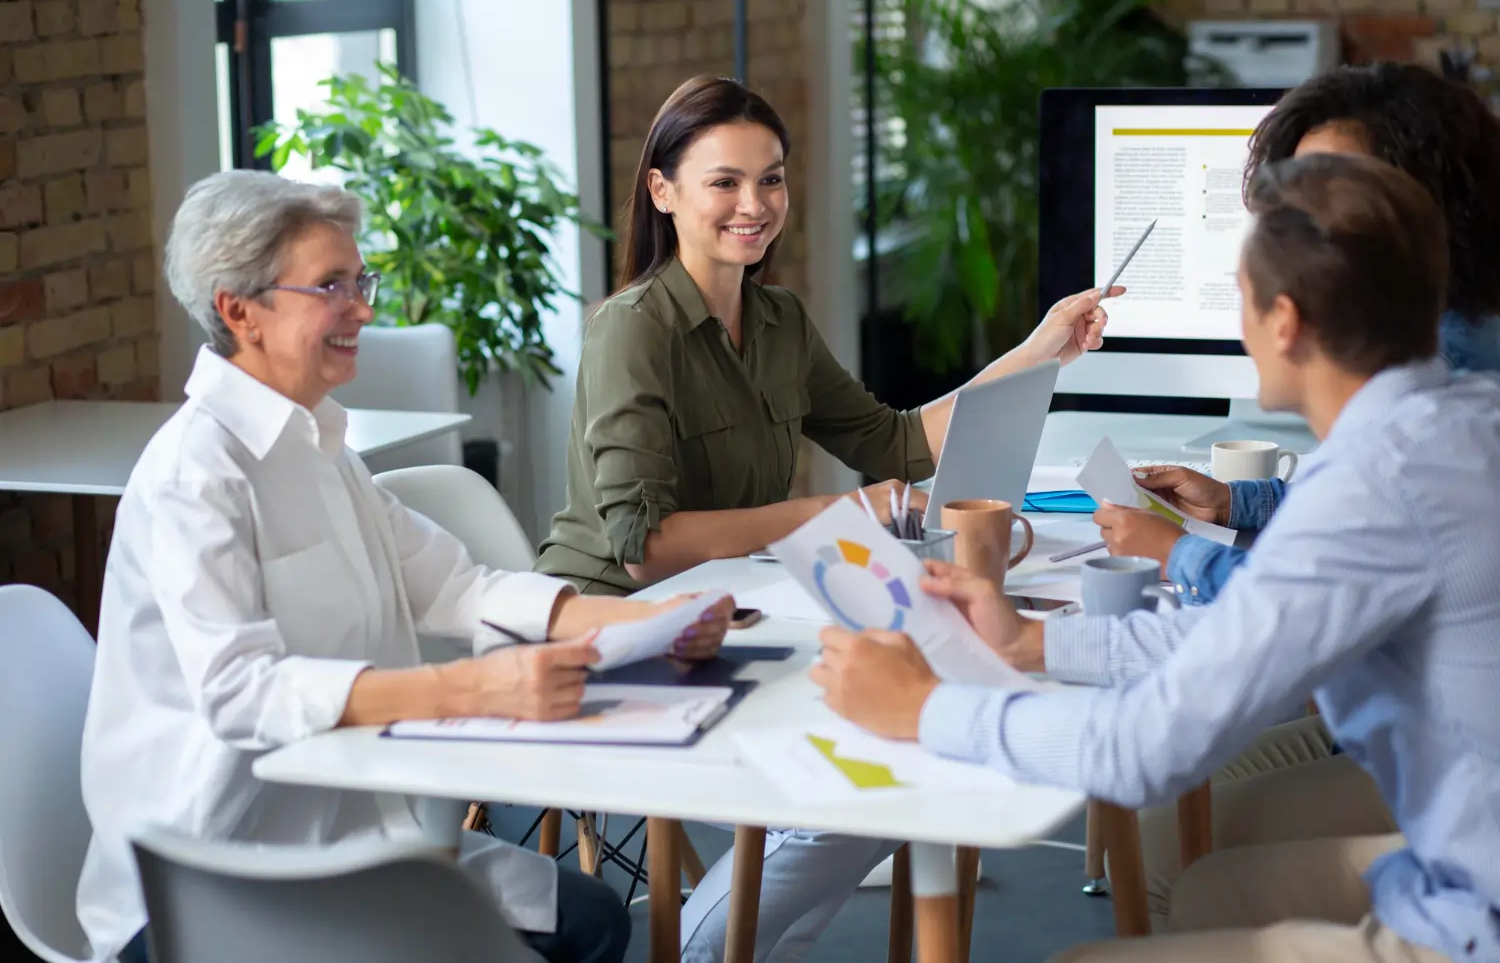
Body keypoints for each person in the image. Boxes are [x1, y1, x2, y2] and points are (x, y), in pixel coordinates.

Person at [814, 152, 1500, 961]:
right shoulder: (1454, 422)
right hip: (1454, 850)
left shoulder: (1373, 486)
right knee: (1202, 885)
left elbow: (1144, 747)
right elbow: (1241, 632)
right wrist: (1032, 640)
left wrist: (922, 708)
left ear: (1283, 322)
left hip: (1470, 910)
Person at [78, 170, 735, 963]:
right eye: (331, 286)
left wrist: (652, 624)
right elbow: (241, 691)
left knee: (592, 919)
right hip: (214, 874)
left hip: (343, 830)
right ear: (239, 310)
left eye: (361, 282)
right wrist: (475, 687)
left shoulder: (323, 446)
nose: (362, 308)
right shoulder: (195, 474)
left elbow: (459, 587)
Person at [533, 75, 1118, 962]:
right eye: (724, 181)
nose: (754, 204)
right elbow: (646, 549)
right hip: (619, 624)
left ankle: (727, 944)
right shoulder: (631, 331)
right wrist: (837, 510)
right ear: (663, 190)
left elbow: (897, 444)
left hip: (739, 608)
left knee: (903, 731)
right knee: (869, 763)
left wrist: (1043, 350)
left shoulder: (778, 319)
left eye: (770, 179)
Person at [1090, 60, 1500, 922]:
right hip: (1410, 719)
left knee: (1166, 834)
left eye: (1334, 195)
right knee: (1180, 820)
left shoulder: (1455, 378)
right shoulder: (1427, 357)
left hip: (1457, 773)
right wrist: (1237, 504)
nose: (1306, 229)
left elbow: (1333, 571)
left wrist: (1178, 552)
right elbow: (1380, 526)